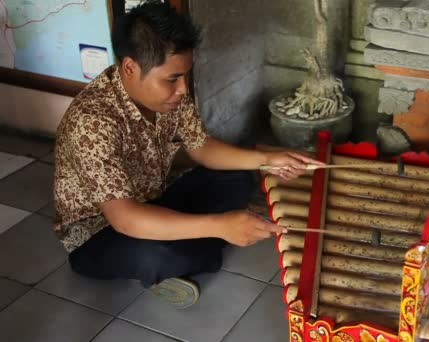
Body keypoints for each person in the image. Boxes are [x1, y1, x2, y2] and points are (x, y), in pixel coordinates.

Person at [52, 1, 320, 308]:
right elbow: (124, 219)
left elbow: (201, 146)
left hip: (153, 199)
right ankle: (185, 252)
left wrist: (267, 161)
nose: (182, 89)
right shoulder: (93, 122)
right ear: (130, 68)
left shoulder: (168, 95)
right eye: (172, 79)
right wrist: (220, 225)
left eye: (184, 76)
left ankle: (196, 237)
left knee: (237, 177)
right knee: (166, 255)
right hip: (101, 233)